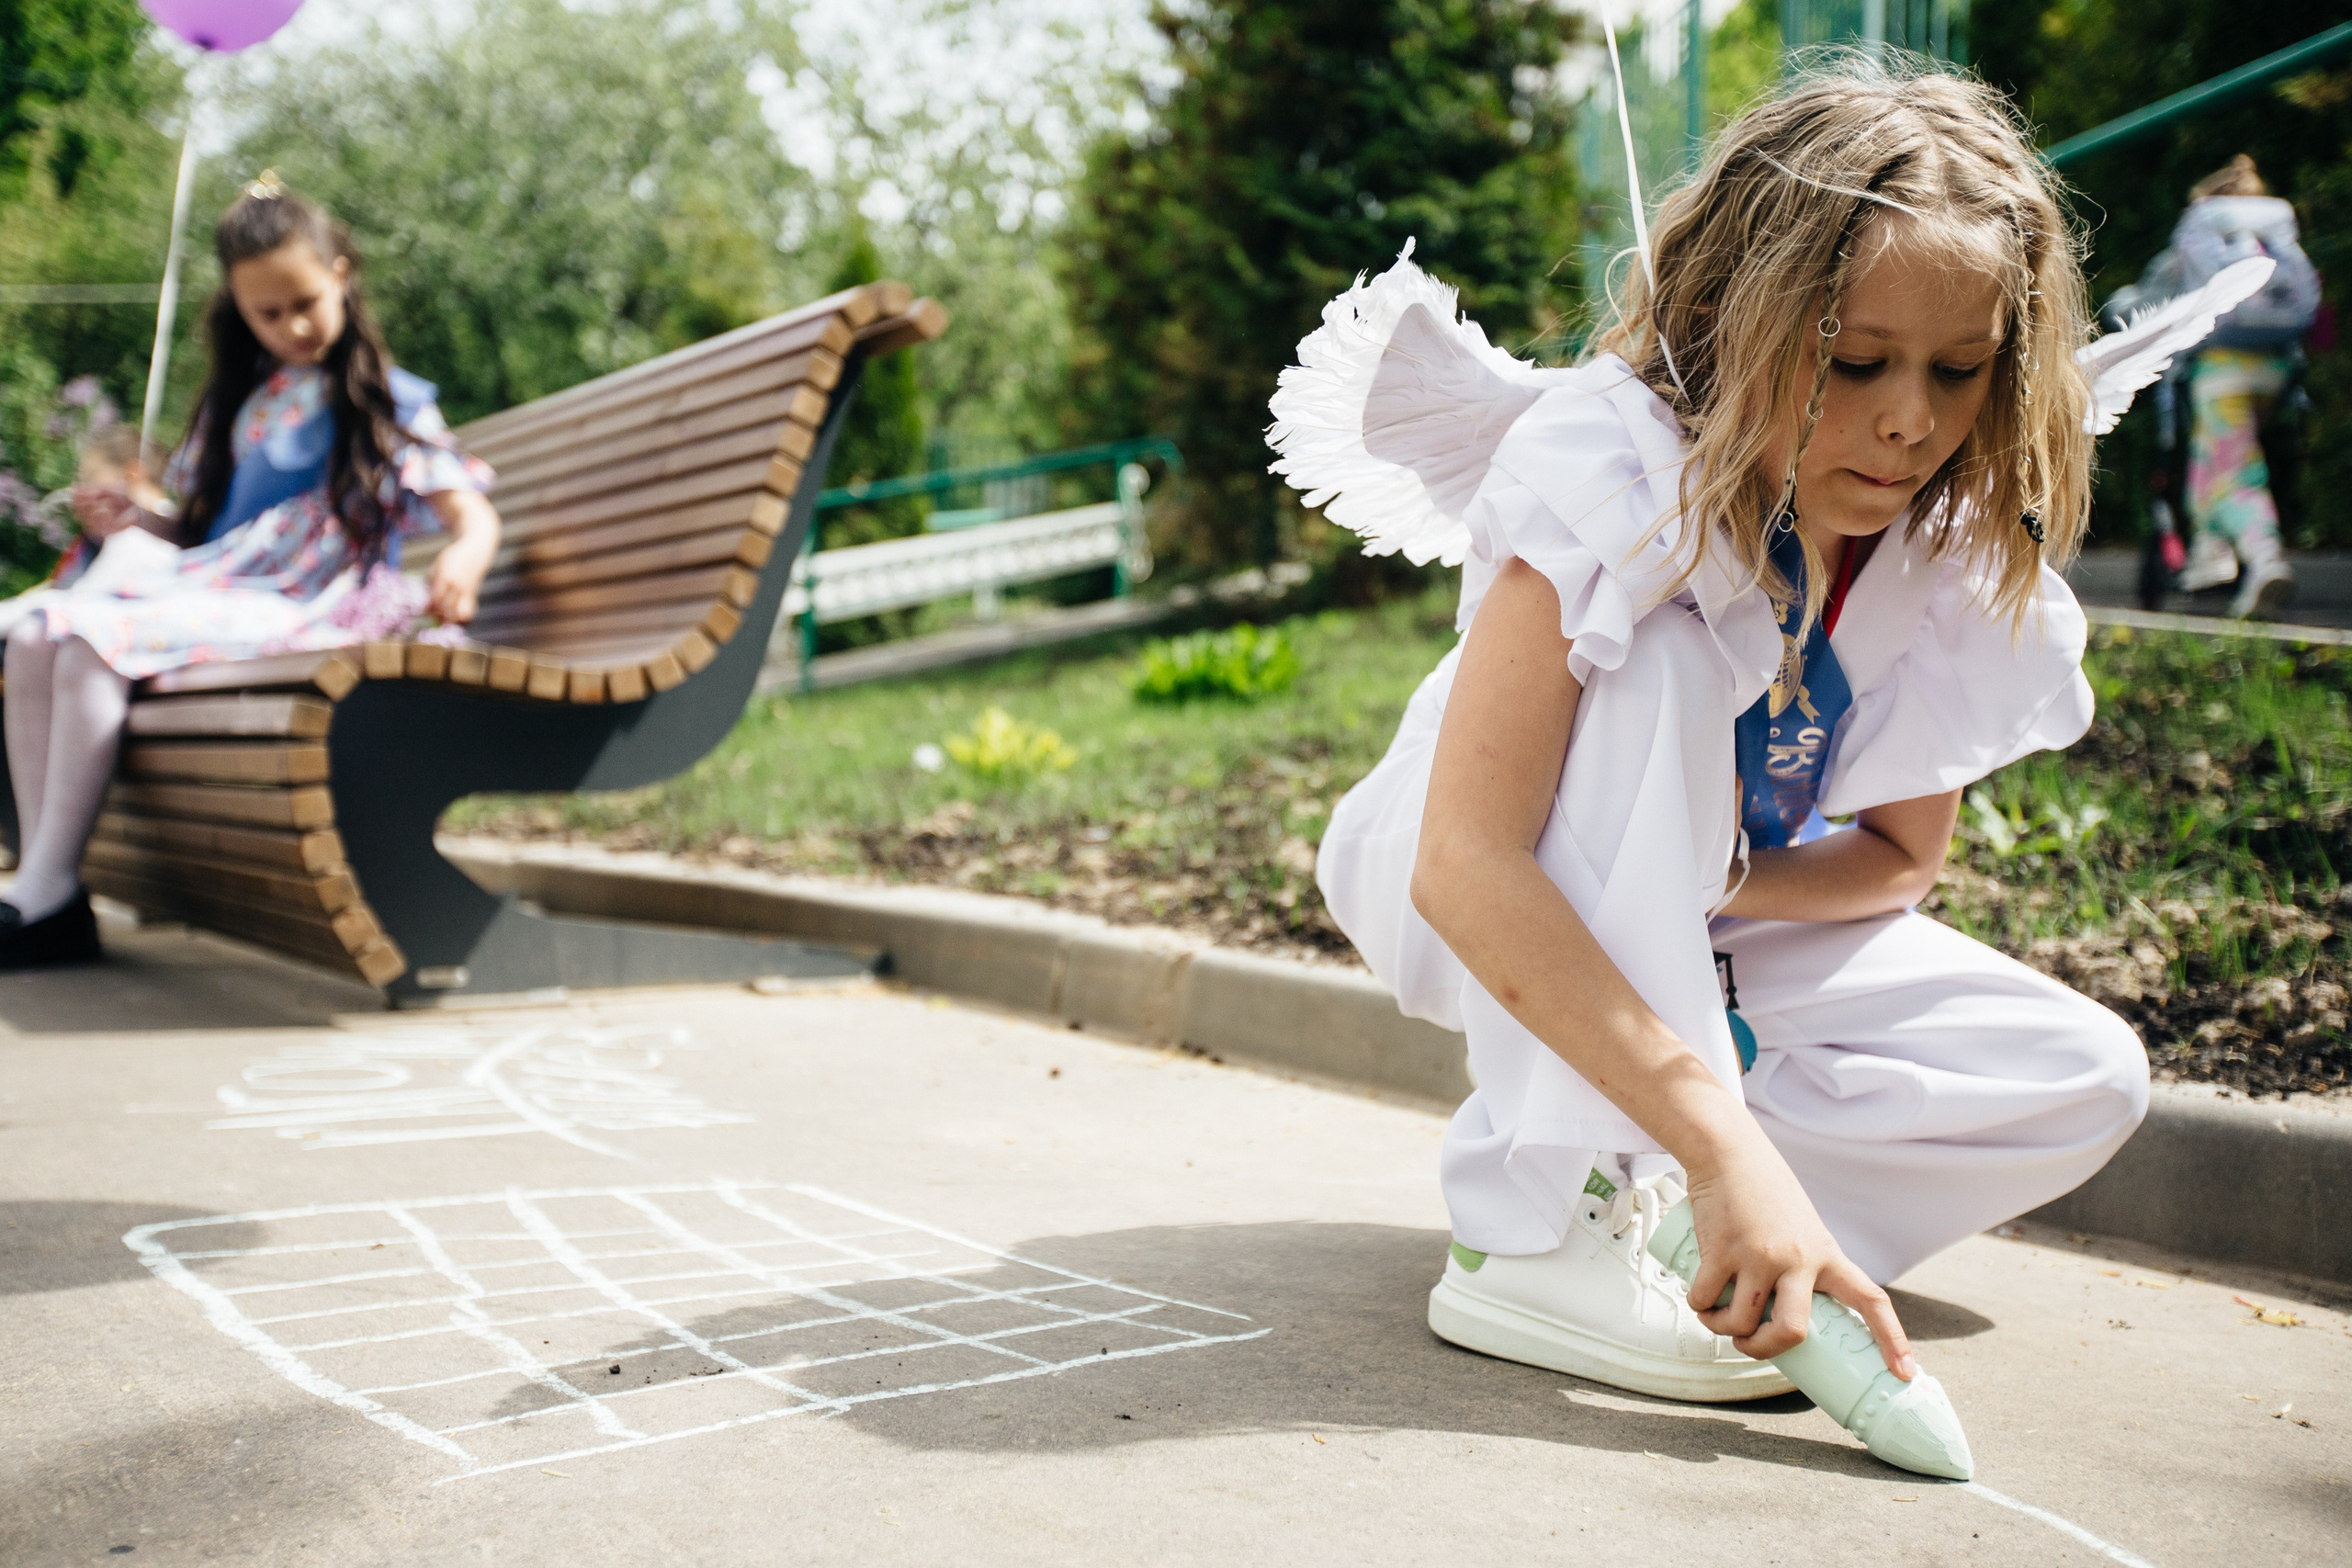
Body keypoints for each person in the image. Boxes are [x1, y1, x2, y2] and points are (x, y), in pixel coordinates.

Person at [1269, 58, 2152, 1403]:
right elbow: (1463, 859)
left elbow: (1899, 861)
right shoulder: (1618, 472)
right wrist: (1723, 1129)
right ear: (1744, 316)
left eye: (1958, 371)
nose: (1910, 418)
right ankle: (1540, 1223)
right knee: (1672, 655)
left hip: (1720, 925)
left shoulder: (1930, 543)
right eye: (1856, 362)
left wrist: (1708, 903)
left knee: (2079, 1073)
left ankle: (1707, 1222)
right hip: (1488, 885)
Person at [0, 174, 501, 967]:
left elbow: (468, 510)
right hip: (221, 585)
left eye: (304, 301)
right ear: (239, 308)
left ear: (340, 275)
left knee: (90, 638)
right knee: (35, 632)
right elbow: (204, 527)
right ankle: (42, 880)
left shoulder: (386, 401)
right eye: (267, 313)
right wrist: (137, 518)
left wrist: (467, 557)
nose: (292, 325)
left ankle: (52, 884)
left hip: (303, 600)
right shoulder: (243, 400)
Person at [2141, 155, 2321, 619]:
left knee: (2235, 476)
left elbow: (2154, 294)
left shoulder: (2202, 230)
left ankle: (2264, 561)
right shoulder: (2274, 232)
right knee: (2219, 465)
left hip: (2220, 372)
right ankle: (2211, 557)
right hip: (2274, 370)